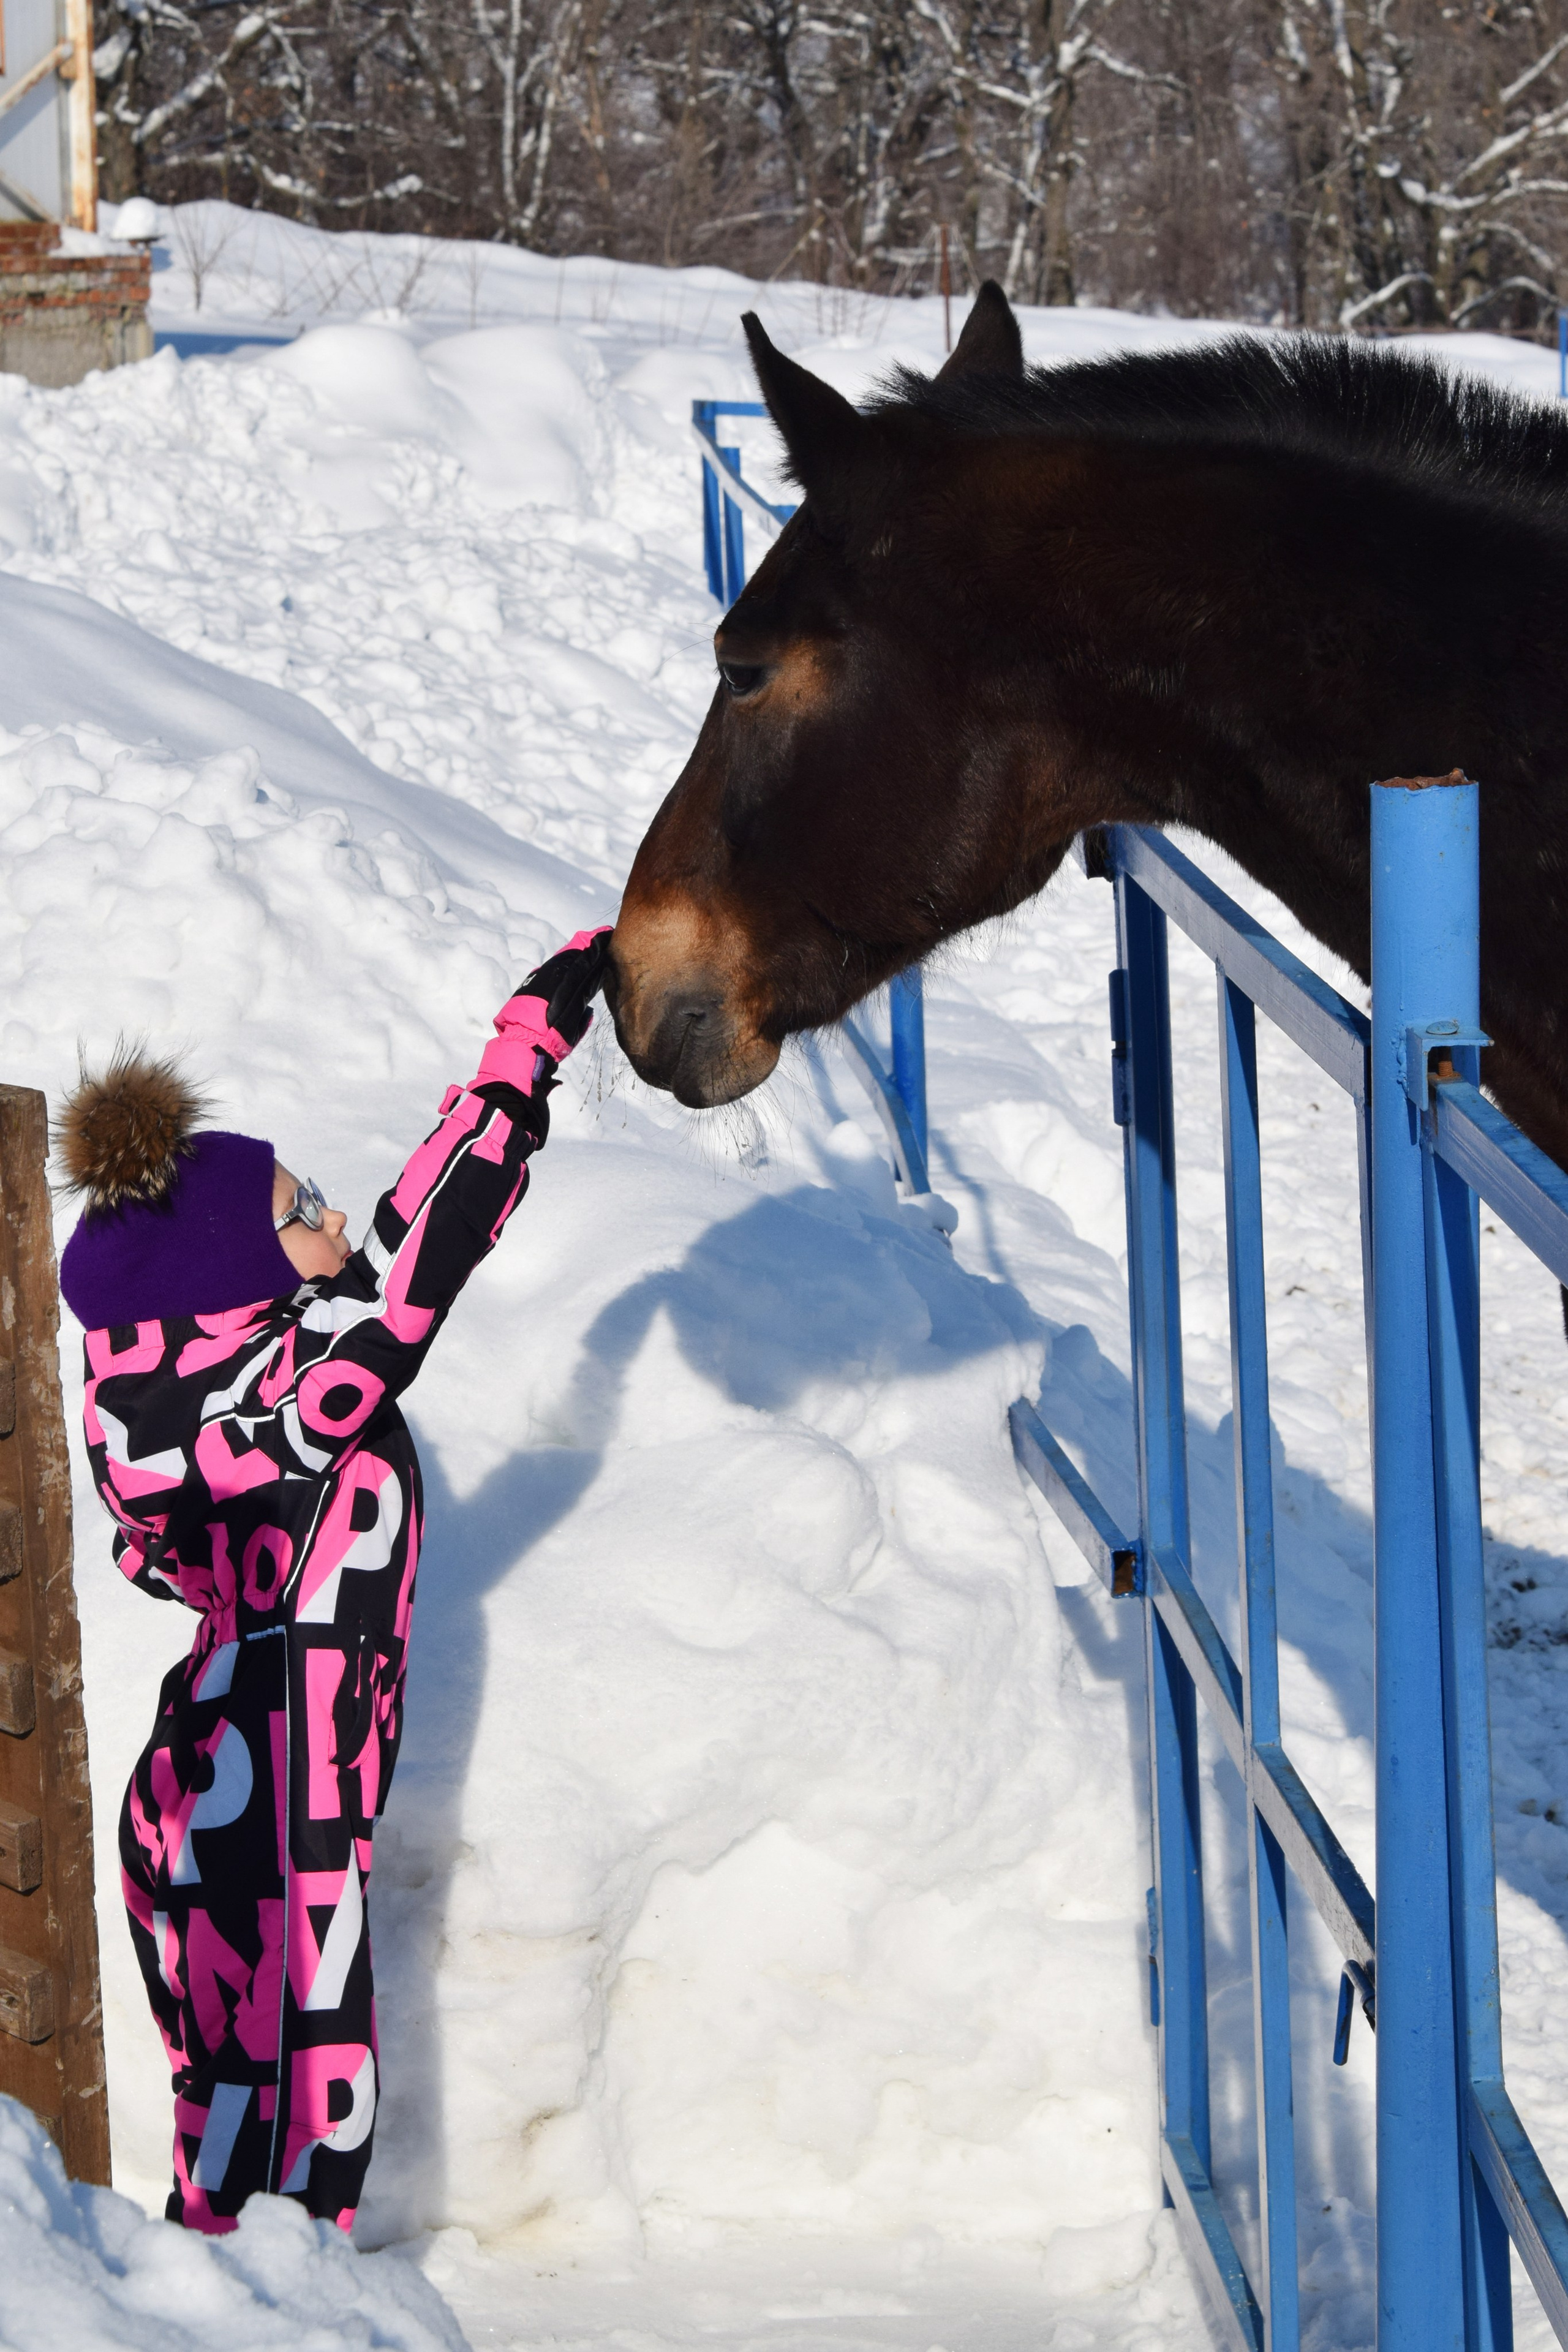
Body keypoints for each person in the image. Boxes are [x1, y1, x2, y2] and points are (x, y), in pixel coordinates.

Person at [55, 929, 612, 2236]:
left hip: (219, 1775)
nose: (336, 1217)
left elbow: (386, 1252)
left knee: (234, 2122)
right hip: (267, 1804)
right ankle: (268, 2301)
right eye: (302, 1208)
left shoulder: (193, 1395)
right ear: (227, 1272)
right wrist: (522, 1057)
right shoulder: (281, 1397)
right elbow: (421, 1266)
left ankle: (232, 2294)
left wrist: (521, 1043)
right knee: (290, 2127)